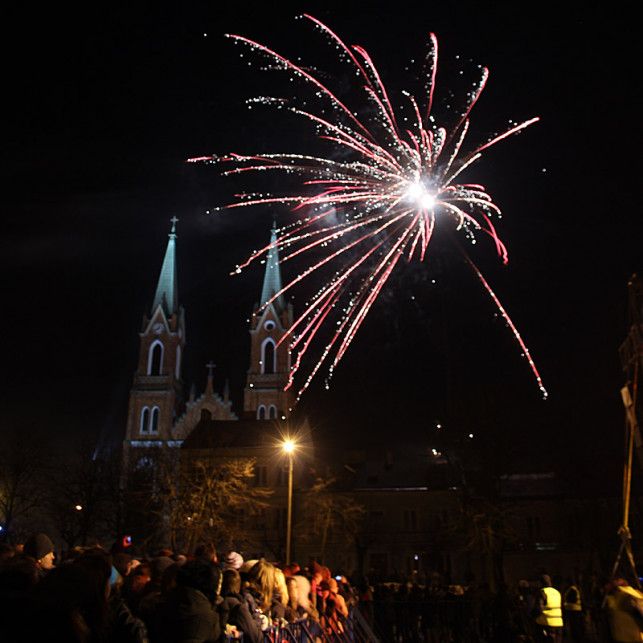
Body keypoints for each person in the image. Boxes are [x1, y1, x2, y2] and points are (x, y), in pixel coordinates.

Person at [606, 578, 643, 643]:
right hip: (628, 637)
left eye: (617, 580)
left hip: (629, 638)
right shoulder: (633, 594)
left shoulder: (627, 596)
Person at [533, 575, 563, 642]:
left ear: (541, 583)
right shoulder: (557, 592)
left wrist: (533, 616)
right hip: (559, 623)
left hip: (546, 623)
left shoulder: (542, 592)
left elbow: (538, 608)